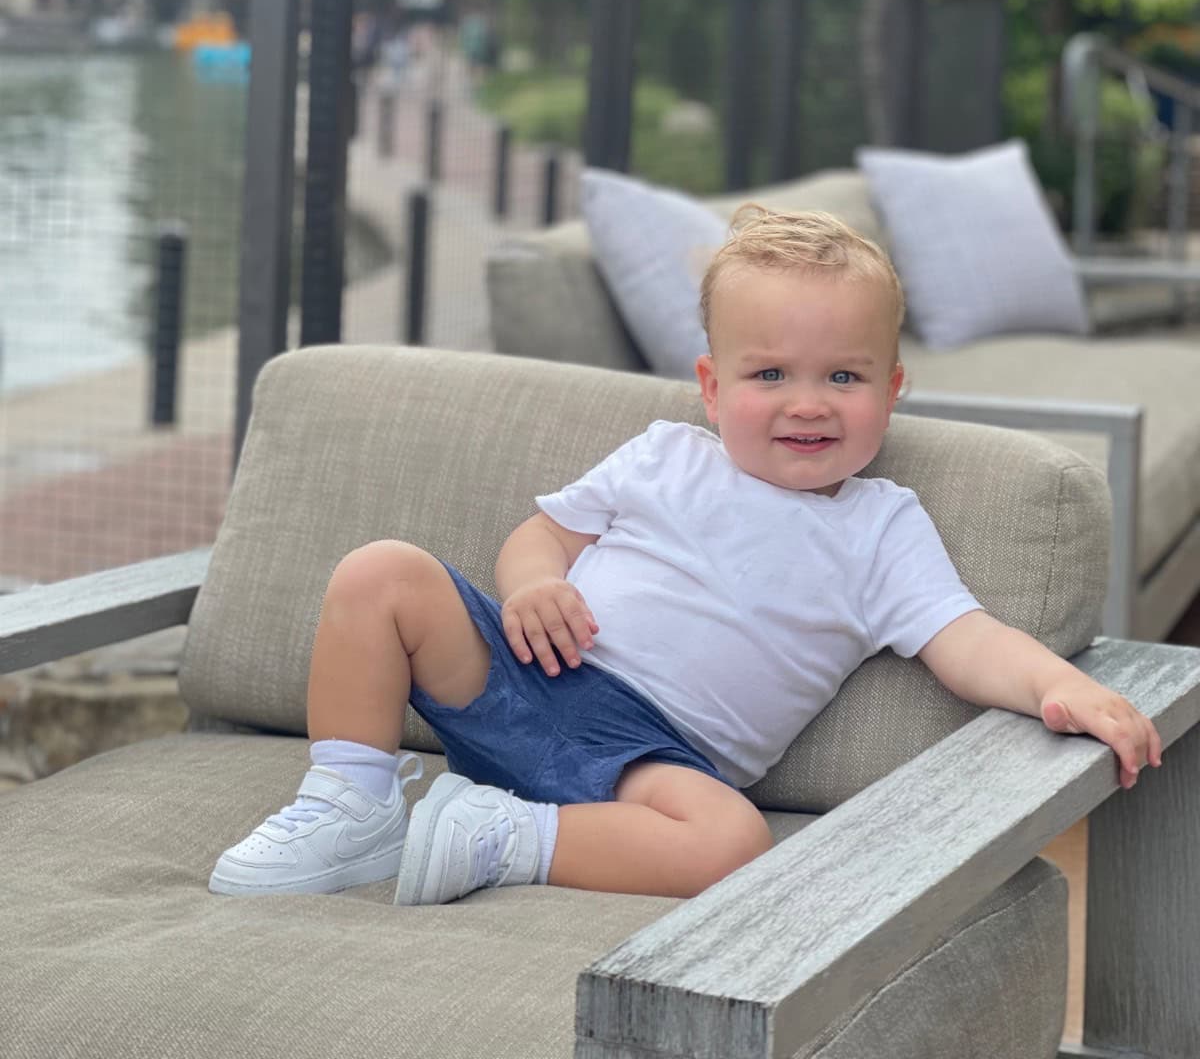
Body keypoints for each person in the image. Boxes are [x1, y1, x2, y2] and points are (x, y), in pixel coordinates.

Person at [209, 206, 1162, 904]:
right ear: (711, 387)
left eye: (844, 375)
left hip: (655, 763)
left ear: (893, 388)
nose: (807, 402)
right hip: (531, 673)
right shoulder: (665, 456)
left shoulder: (881, 526)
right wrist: (534, 581)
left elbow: (966, 638)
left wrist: (1054, 686)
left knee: (731, 841)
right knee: (382, 572)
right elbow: (543, 535)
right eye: (769, 375)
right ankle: (352, 803)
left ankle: (502, 837)